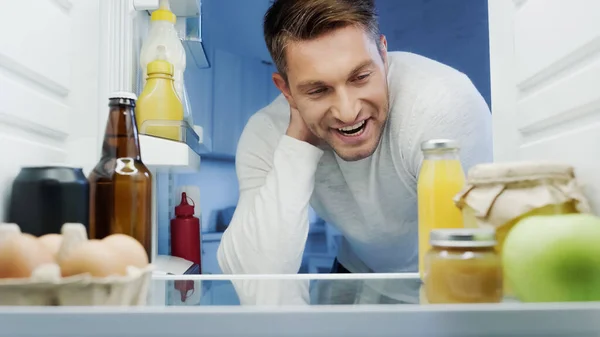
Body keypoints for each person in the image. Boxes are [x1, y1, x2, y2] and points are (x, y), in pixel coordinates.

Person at [217, 0, 493, 278]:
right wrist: (298, 139)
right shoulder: (266, 133)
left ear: (383, 55)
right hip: (358, 269)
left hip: (440, 273)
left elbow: (476, 252)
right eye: (318, 90)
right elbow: (254, 274)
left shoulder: (441, 103)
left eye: (360, 77)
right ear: (286, 90)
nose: (348, 112)